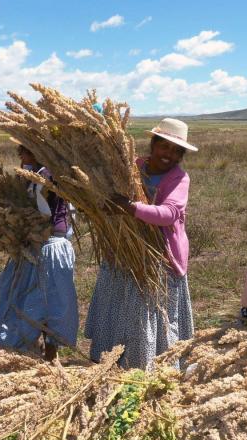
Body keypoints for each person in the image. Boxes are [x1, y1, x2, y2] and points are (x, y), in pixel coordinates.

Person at [84, 117, 196, 370]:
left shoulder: (179, 178)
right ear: (153, 144)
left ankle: (147, 363)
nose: (169, 154)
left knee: (143, 312)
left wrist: (130, 208)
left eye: (176, 151)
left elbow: (169, 214)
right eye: (164, 146)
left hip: (159, 255)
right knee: (119, 303)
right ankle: (110, 359)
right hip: (123, 249)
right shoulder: (134, 166)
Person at [0, 142, 78, 360]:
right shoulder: (33, 173)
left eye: (26, 149)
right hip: (34, 248)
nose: (20, 153)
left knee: (48, 303)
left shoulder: (46, 175)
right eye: (20, 149)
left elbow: (40, 211)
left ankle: (48, 354)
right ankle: (32, 349)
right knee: (30, 298)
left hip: (49, 249)